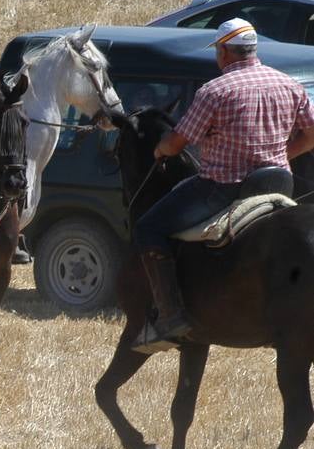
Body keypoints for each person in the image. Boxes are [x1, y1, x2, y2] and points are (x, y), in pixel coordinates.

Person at [132, 18, 314, 352]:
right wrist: (283, 152)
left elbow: (177, 143)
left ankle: (171, 316)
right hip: (279, 183)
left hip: (224, 187)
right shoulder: (288, 83)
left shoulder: (215, 91)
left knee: (148, 228)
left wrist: (160, 148)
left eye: (218, 51)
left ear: (226, 53)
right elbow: (312, 133)